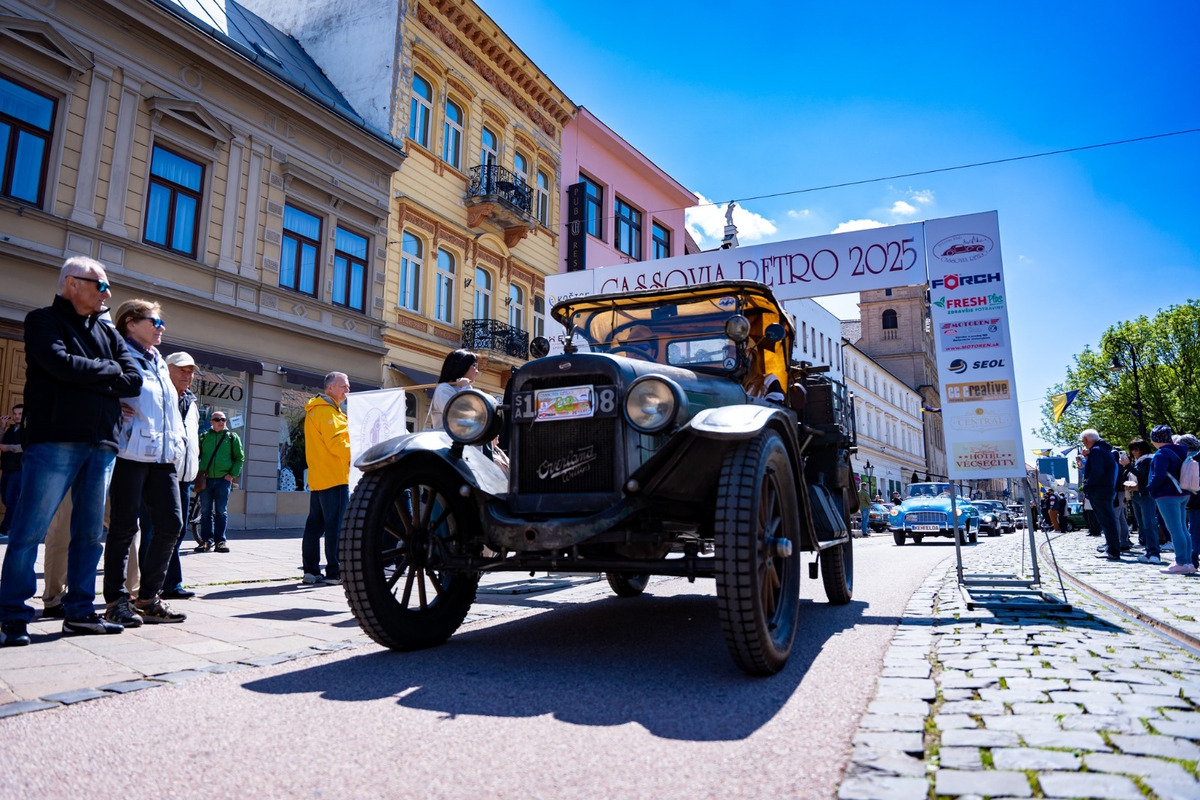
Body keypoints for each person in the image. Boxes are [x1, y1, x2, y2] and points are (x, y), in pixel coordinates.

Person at [0, 257, 142, 646]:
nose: (107, 294)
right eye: (101, 286)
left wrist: (89, 373)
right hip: (55, 439)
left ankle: (80, 612)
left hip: (103, 443)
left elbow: (133, 381)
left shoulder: (109, 333)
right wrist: (107, 371)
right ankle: (12, 615)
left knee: (90, 534)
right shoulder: (42, 320)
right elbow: (59, 365)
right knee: (29, 530)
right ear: (72, 283)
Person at [101, 299, 189, 626]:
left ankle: (148, 598)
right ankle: (115, 602)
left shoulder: (159, 362)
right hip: (129, 452)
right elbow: (98, 386)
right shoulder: (118, 354)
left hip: (162, 456)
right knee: (124, 528)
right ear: (130, 323)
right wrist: (110, 405)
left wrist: (178, 442)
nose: (161, 327)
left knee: (172, 524)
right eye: (155, 321)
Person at [151, 352, 201, 597]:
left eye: (190, 372)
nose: (187, 375)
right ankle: (153, 586)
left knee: (177, 531)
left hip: (184, 477)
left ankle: (170, 584)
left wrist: (196, 471)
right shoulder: (160, 395)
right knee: (162, 530)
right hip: (162, 471)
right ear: (166, 369)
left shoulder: (191, 402)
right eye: (182, 370)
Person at [301, 371, 351, 585]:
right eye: (344, 386)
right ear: (330, 388)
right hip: (334, 477)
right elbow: (337, 445)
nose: (348, 389)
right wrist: (360, 453)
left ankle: (311, 571)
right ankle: (334, 572)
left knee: (314, 527)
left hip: (319, 478)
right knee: (335, 527)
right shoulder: (328, 411)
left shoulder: (316, 410)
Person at [194, 409, 244, 553]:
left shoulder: (232, 437)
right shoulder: (204, 437)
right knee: (205, 511)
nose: (221, 422)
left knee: (221, 511)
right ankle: (205, 541)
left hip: (223, 480)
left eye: (223, 419)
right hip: (206, 479)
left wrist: (232, 475)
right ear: (211, 422)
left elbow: (239, 458)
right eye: (217, 419)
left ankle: (220, 542)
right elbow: (195, 455)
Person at [1147, 424, 1193, 575]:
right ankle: (1188, 562)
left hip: (1167, 494)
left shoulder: (1162, 453)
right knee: (1183, 528)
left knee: (1175, 529)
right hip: (1184, 492)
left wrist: (1150, 488)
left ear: (1155, 439)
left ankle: (1181, 562)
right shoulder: (1182, 450)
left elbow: (1158, 476)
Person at [1080, 428, 1121, 561]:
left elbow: (1097, 471)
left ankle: (1113, 550)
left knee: (1106, 521)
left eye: (1083, 441)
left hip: (1099, 490)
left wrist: (1087, 484)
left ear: (1086, 440)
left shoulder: (1096, 451)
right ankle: (1112, 547)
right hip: (1106, 489)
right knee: (1108, 520)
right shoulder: (1104, 450)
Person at [1125, 439, 1162, 565]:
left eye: (1135, 449)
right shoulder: (1140, 460)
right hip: (1137, 495)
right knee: (1143, 524)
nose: (1133, 452)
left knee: (1149, 524)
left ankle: (1154, 552)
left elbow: (1144, 477)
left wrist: (1128, 465)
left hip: (1145, 495)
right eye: (1132, 450)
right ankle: (1149, 551)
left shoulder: (1148, 460)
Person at [428, 349, 480, 430]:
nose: (477, 371)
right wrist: (465, 388)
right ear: (462, 366)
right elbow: (458, 417)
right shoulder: (443, 389)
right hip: (445, 437)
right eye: (474, 366)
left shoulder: (465, 388)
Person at [0, 404, 23, 537]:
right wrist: (3, 427)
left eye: (20, 414)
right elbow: (1, 442)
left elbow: (25, 446)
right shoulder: (11, 429)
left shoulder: (28, 430)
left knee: (12, 499)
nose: (16, 416)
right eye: (15, 414)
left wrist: (8, 448)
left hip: (18, 469)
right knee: (6, 498)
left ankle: (6, 529)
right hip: (7, 468)